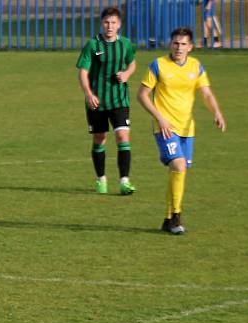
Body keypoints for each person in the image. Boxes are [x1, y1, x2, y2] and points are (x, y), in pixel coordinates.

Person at [137, 27, 226, 235]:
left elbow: (206, 93)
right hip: (165, 128)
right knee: (178, 166)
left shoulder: (196, 66)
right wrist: (160, 118)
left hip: (188, 128)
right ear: (170, 44)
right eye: (175, 43)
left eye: (183, 44)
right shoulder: (158, 65)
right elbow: (142, 95)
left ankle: (168, 218)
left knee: (179, 172)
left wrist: (217, 112)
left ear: (190, 47)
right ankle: (177, 216)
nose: (179, 47)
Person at [76, 6, 137, 195]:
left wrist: (127, 73)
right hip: (97, 102)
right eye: (106, 22)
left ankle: (124, 181)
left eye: (113, 23)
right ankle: (101, 179)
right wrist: (89, 93)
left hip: (119, 100)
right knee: (100, 138)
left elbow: (132, 62)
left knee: (122, 137)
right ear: (101, 23)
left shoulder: (125, 44)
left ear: (119, 25)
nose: (109, 26)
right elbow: (83, 72)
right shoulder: (94, 46)